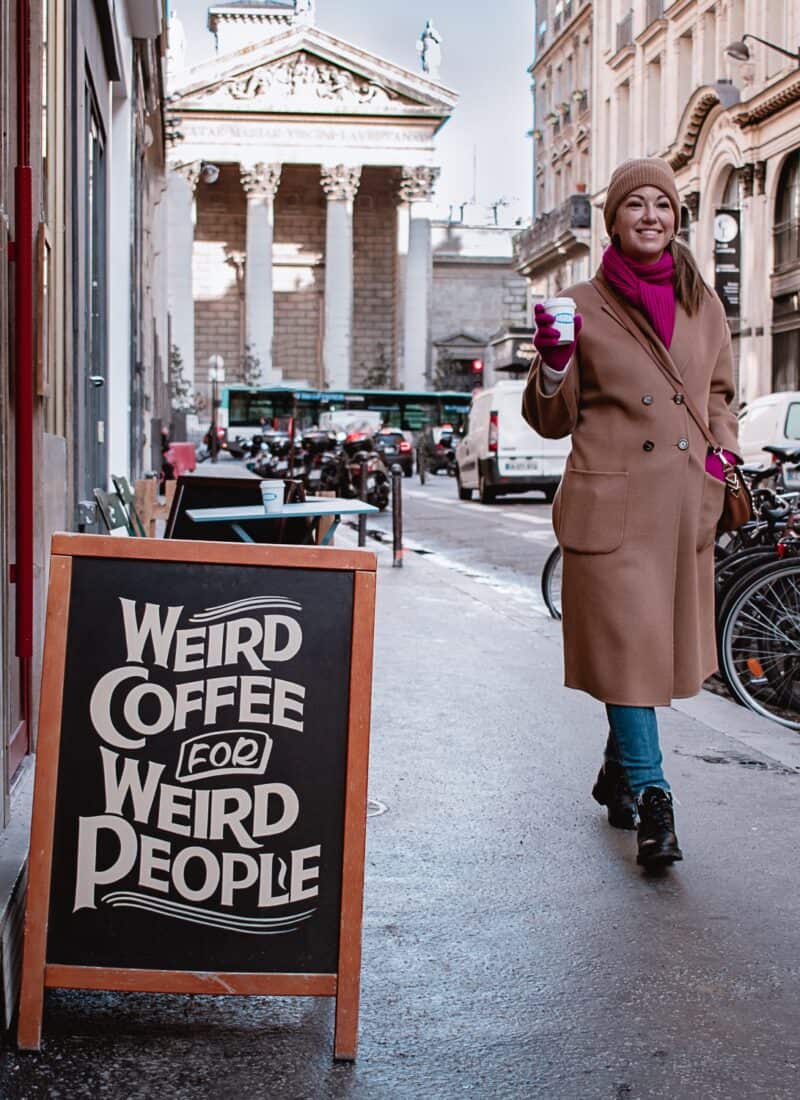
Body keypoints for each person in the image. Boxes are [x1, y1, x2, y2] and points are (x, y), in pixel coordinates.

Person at [523, 157, 740, 870]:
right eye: (635, 205)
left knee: (644, 653)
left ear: (676, 220)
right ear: (612, 220)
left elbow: (719, 397)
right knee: (629, 649)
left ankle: (618, 774)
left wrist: (720, 459)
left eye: (664, 205)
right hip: (612, 505)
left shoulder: (703, 303)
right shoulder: (578, 303)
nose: (651, 216)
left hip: (680, 504)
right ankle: (653, 796)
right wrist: (554, 362)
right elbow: (551, 420)